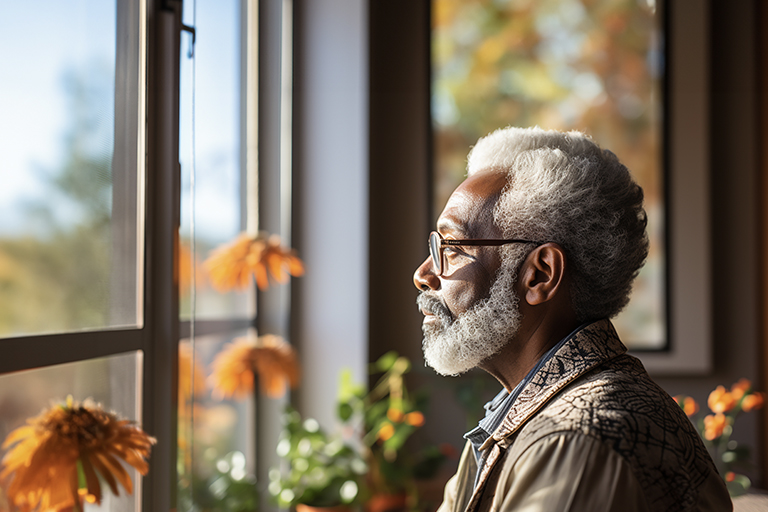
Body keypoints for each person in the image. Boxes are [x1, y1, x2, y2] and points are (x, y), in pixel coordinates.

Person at [413, 127, 732, 511]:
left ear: (540, 275)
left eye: (450, 246)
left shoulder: (574, 440)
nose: (423, 273)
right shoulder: (515, 419)